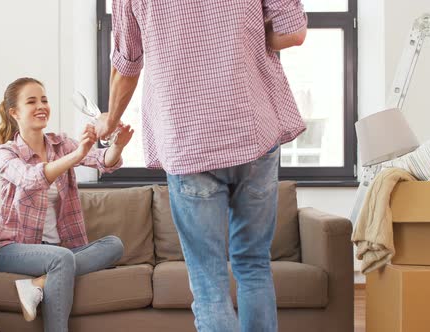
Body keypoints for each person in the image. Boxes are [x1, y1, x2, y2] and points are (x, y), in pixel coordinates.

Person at [96, 1, 307, 331]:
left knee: (208, 281)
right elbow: (293, 33)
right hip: (252, 131)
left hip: (187, 140)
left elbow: (127, 65)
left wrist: (110, 119)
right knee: (254, 263)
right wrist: (247, 35)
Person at [0, 77, 134, 332]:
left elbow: (104, 161)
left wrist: (118, 145)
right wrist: (76, 155)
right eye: (32, 101)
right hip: (14, 249)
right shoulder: (5, 153)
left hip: (60, 250)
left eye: (44, 100)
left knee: (114, 245)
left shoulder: (61, 143)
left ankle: (38, 283)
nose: (41, 106)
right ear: (14, 112)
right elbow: (30, 179)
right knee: (61, 259)